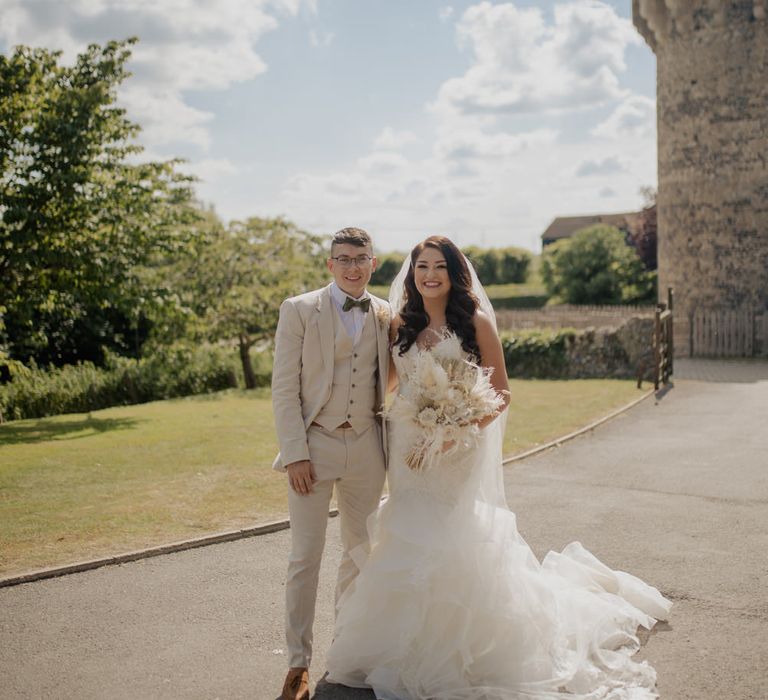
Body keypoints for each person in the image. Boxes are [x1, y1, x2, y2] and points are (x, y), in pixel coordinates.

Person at [325, 235, 672, 700]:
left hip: (456, 448)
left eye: (438, 268)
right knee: (405, 528)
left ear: (453, 275)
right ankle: (398, 645)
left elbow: (502, 392)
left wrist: (452, 430)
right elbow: (387, 383)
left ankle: (455, 646)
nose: (428, 275)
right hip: (407, 448)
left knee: (450, 533)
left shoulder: (477, 322)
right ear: (412, 275)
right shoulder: (399, 326)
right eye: (421, 267)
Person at [271, 227, 390, 700]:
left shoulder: (385, 313)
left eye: (360, 258)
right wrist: (295, 452)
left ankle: (345, 650)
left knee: (359, 555)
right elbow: (284, 388)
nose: (352, 267)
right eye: (343, 259)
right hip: (314, 448)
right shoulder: (298, 309)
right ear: (330, 265)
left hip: (366, 448)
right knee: (305, 557)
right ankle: (297, 664)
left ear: (373, 262)